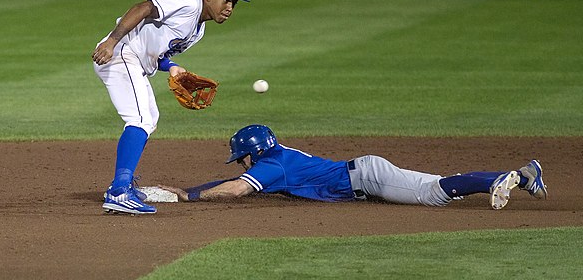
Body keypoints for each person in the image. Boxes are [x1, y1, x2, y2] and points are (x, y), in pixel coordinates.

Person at [92, 0, 249, 215]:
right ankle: (119, 192)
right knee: (140, 119)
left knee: (149, 119)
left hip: (132, 60)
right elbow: (143, 7)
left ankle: (123, 185)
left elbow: (159, 51)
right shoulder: (187, 2)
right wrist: (111, 42)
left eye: (234, 2)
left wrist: (172, 67)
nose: (229, 7)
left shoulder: (198, 31)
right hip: (121, 54)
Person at [158, 124, 548, 210]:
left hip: (369, 178)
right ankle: (523, 174)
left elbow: (238, 188)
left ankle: (500, 178)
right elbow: (234, 179)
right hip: (366, 171)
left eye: (241, 158)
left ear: (252, 153)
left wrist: (192, 196)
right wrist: (192, 186)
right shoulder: (277, 156)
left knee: (432, 194)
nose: (240, 164)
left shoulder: (270, 166)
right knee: (439, 184)